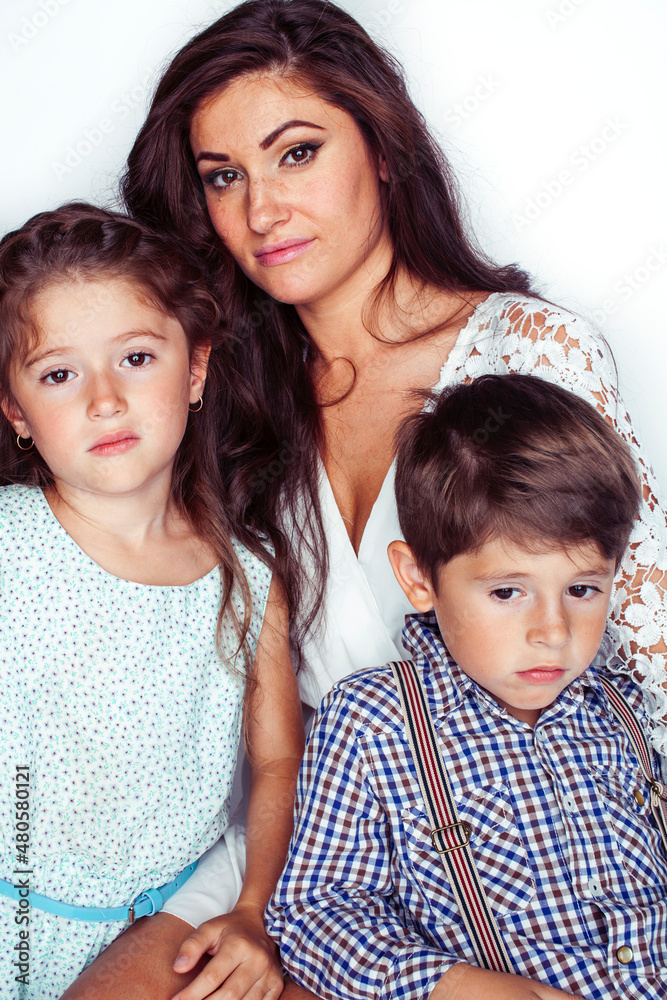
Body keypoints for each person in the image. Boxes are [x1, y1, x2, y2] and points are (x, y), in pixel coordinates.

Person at [74, 0, 667, 996]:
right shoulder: (224, 392)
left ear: (383, 151)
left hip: (512, 837)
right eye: (224, 176)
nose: (262, 211)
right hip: (314, 828)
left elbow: (647, 647)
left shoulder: (526, 349)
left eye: (296, 153)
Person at [268, 373, 667, 1000]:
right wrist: (457, 986)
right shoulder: (373, 722)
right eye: (508, 591)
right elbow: (317, 914)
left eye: (582, 589)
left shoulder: (622, 705)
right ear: (418, 578)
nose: (553, 631)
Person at [0, 203, 303, 1000]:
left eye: (135, 358)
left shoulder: (247, 577)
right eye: (59, 374)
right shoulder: (8, 543)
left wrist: (251, 909)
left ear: (195, 369)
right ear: (16, 410)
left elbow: (278, 761)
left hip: (170, 933)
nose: (104, 400)